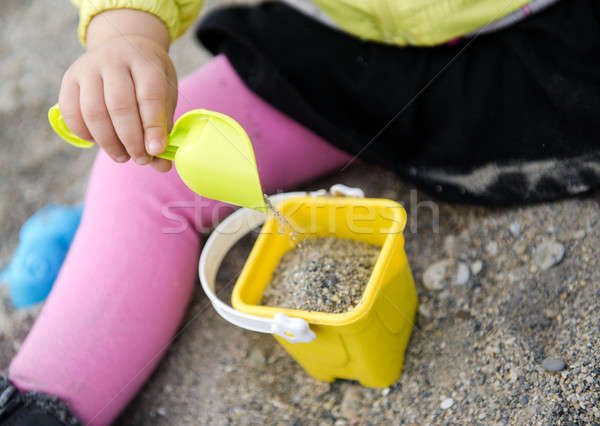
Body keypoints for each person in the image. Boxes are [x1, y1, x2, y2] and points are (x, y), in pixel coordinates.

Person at [2, 0, 599, 424]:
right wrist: (123, 33)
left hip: (543, 40)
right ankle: (43, 402)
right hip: (340, 49)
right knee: (142, 170)